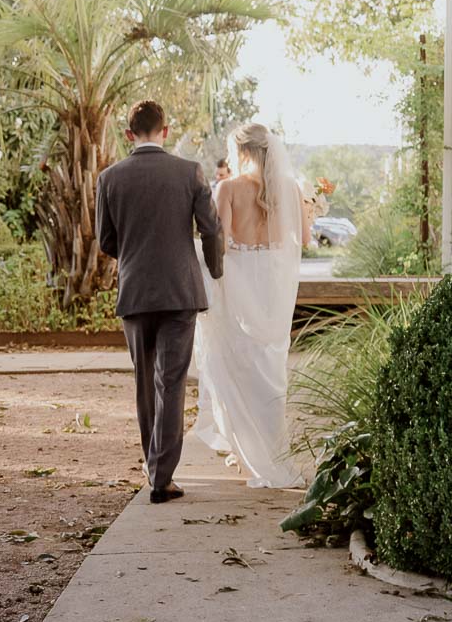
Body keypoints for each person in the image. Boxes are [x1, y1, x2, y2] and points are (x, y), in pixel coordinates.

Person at [95, 100, 224, 504]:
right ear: (165, 131)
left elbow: (106, 240)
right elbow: (211, 230)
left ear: (129, 134)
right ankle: (162, 477)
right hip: (180, 291)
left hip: (135, 292)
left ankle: (154, 468)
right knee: (172, 382)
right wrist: (216, 271)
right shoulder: (190, 172)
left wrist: (135, 257)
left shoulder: (109, 178)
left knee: (145, 383)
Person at [192, 123, 309, 489]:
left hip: (239, 285)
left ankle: (248, 452)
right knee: (270, 367)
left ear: (241, 152)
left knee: (234, 366)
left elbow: (220, 241)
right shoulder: (289, 189)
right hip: (273, 287)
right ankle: (274, 454)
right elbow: (304, 238)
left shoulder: (228, 188)